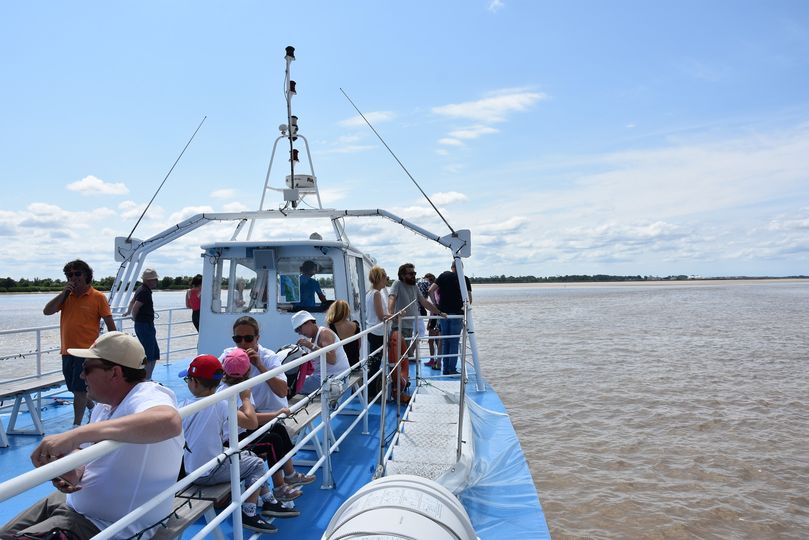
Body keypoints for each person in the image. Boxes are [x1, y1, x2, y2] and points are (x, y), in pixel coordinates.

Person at [1, 332, 184, 540]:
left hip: (107, 526)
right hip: (69, 502)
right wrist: (75, 468)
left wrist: (75, 435)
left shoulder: (146, 394)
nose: (81, 376)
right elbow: (86, 450)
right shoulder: (104, 407)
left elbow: (168, 421)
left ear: (115, 373)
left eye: (86, 368)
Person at [179, 354, 296, 533]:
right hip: (209, 471)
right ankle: (248, 513)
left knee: (249, 456)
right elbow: (251, 422)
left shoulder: (183, 407)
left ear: (194, 382)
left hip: (192, 469)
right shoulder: (221, 403)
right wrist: (246, 398)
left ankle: (267, 499)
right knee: (256, 464)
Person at [218, 316, 315, 502]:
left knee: (276, 429)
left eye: (248, 338)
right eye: (237, 339)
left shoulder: (268, 358)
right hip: (247, 420)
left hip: (260, 414)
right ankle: (281, 484)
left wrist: (259, 366)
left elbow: (281, 392)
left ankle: (287, 477)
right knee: (272, 437)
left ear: (257, 338)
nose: (243, 343)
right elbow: (216, 385)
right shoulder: (230, 359)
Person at [42, 259, 117, 428]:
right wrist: (63, 294)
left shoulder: (98, 297)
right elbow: (47, 311)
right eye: (69, 275)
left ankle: (76, 426)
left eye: (77, 274)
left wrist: (112, 349)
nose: (73, 278)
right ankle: (93, 407)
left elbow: (111, 325)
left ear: (86, 275)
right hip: (67, 351)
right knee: (74, 387)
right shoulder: (65, 298)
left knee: (79, 389)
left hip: (87, 352)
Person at [387, 263, 445, 402]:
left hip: (408, 326)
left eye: (414, 273)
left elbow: (424, 301)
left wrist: (438, 312)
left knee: (404, 359)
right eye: (410, 273)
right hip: (398, 327)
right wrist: (390, 313)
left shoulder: (414, 286)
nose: (413, 275)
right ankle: (397, 391)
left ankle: (401, 387)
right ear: (402, 275)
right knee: (399, 360)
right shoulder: (397, 284)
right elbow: (392, 298)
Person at [429, 261, 472, 375]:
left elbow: (430, 290)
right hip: (457, 314)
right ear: (461, 267)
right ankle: (451, 369)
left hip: (443, 314)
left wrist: (436, 306)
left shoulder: (443, 276)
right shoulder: (464, 279)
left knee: (445, 341)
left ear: (451, 267)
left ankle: (445, 368)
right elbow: (469, 299)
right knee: (454, 342)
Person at [293, 311, 351, 395]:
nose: (299, 333)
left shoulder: (324, 334)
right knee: (293, 381)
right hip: (327, 376)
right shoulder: (312, 338)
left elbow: (332, 359)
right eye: (297, 331)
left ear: (308, 323)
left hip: (335, 378)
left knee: (293, 386)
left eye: (299, 329)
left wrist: (310, 346)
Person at [124, 268, 160, 379]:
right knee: (149, 354)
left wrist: (127, 312)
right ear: (149, 281)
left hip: (145, 325)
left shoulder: (141, 289)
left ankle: (147, 377)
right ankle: (146, 379)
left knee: (153, 352)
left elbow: (132, 302)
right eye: (155, 280)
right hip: (144, 325)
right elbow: (136, 306)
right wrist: (134, 317)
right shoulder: (144, 292)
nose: (156, 282)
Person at [365, 266, 389, 398]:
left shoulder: (370, 293)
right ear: (381, 278)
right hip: (378, 333)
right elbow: (382, 317)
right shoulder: (377, 294)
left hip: (373, 331)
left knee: (374, 362)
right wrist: (397, 315)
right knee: (375, 363)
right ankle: (371, 392)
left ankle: (371, 390)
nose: (387, 280)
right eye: (386, 277)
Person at [326, 300, 361, 367]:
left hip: (341, 365)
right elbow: (358, 346)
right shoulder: (355, 325)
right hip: (355, 363)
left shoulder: (331, 327)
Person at [416, 273, 440, 369]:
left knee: (432, 341)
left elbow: (433, 308)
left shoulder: (432, 293)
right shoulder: (436, 292)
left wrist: (430, 322)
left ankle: (433, 360)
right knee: (435, 341)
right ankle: (435, 359)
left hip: (435, 317)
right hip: (434, 317)